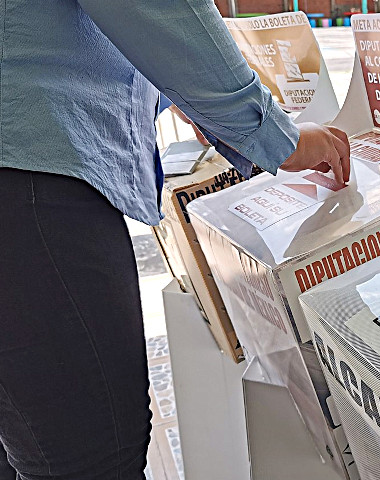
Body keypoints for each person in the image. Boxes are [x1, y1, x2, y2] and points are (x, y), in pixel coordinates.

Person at [0, 1, 350, 478]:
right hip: (28, 188)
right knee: (90, 457)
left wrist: (180, 94)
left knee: (29, 440)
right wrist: (281, 138)